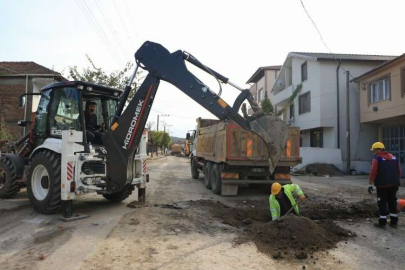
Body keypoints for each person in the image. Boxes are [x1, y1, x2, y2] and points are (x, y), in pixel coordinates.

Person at [368, 142, 401, 228]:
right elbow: (399, 171)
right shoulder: (394, 158)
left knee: (382, 203)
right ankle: (394, 222)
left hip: (382, 186)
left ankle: (382, 223)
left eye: (374, 151)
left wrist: (370, 184)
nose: (373, 153)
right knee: (392, 202)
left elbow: (373, 172)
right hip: (394, 185)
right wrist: (396, 180)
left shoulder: (377, 159)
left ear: (379, 150)